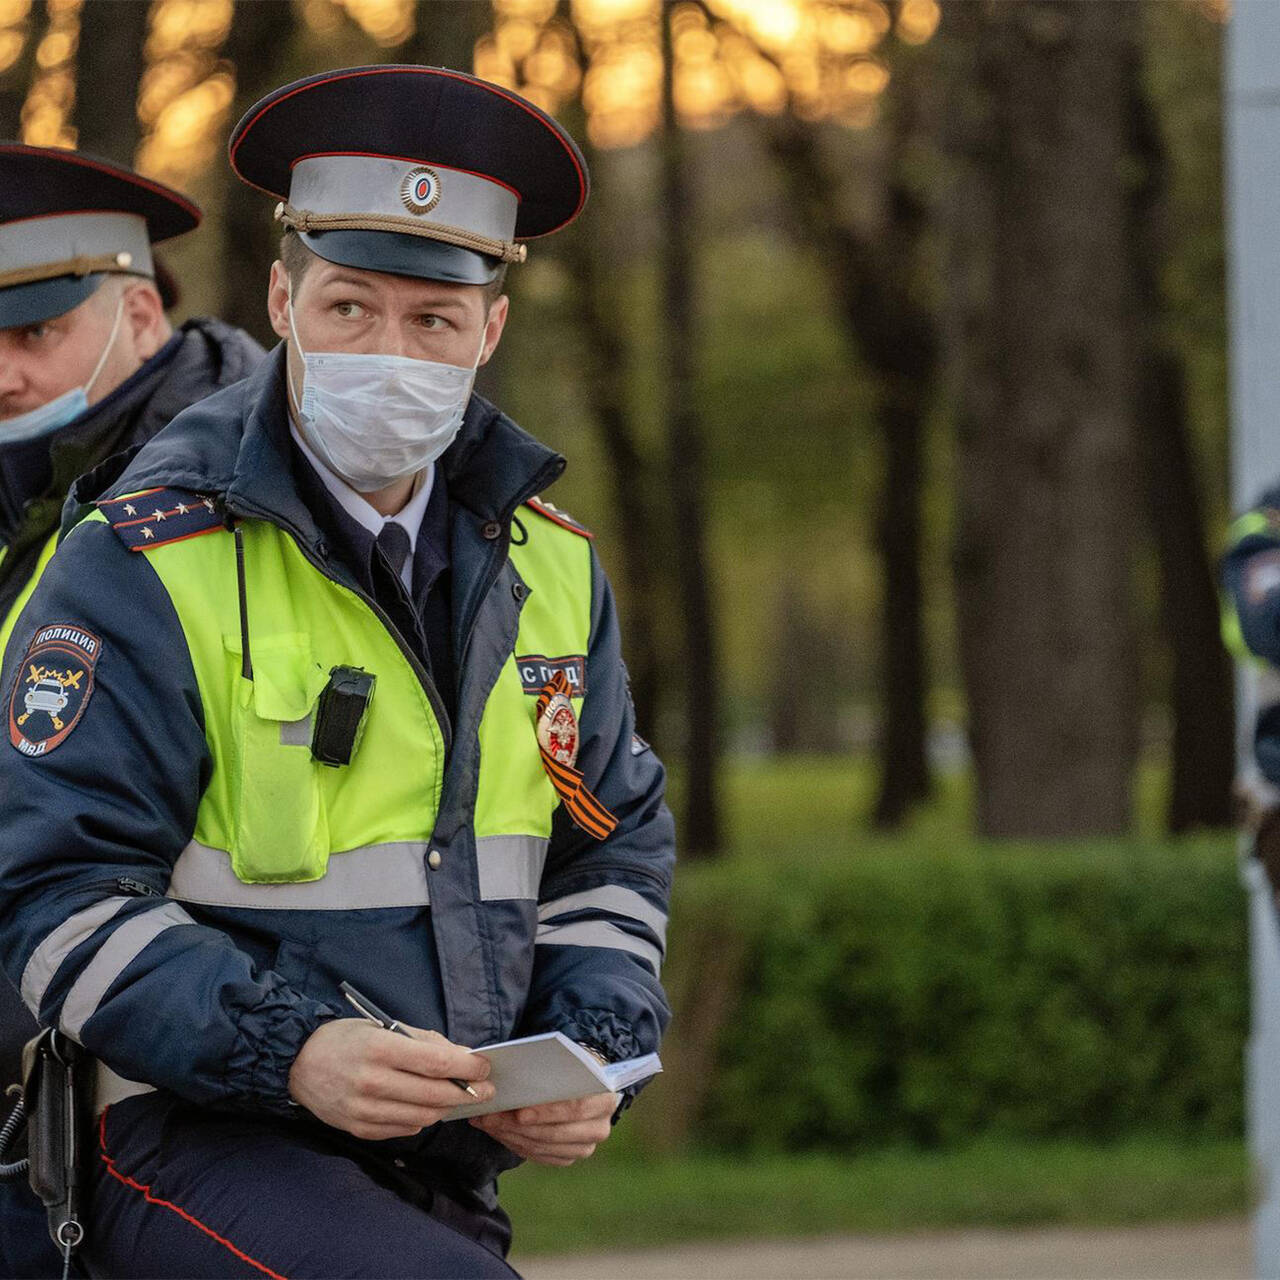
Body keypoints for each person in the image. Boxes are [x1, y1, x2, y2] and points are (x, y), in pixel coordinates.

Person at [0, 66, 674, 1279]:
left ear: (491, 327)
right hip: (185, 1132)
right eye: (351, 307)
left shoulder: (556, 568)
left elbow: (607, 847)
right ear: (281, 297)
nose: (389, 352)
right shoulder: (140, 559)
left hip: (440, 1149)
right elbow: (49, 891)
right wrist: (292, 1046)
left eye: (432, 321)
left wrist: (590, 1048)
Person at [0, 142, 264, 1278]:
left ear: (140, 313)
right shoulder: (28, 479)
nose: (4, 370)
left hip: (182, 1067)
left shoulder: (251, 488)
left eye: (36, 333)